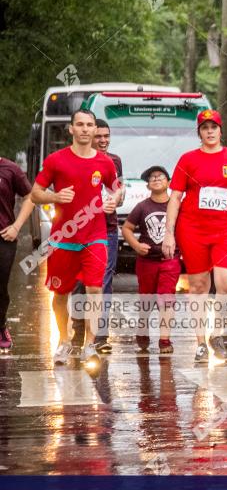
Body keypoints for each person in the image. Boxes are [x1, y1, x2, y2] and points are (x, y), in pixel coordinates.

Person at [162, 109, 227, 364]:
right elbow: (175, 198)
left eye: (214, 127)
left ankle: (219, 333)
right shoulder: (188, 159)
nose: (210, 131)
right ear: (199, 132)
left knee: (226, 284)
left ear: (220, 130)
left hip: (226, 230)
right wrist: (169, 233)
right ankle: (201, 342)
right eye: (205, 127)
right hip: (192, 230)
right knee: (199, 287)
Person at [30, 109, 120, 368]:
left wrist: (113, 201)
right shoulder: (56, 160)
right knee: (61, 293)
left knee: (94, 288)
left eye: (89, 125)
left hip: (95, 236)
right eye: (79, 124)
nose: (84, 129)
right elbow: (35, 193)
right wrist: (55, 197)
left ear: (94, 129)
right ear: (70, 129)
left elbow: (116, 190)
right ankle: (63, 339)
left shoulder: (105, 163)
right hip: (63, 238)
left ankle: (90, 343)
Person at [72, 118, 122, 354]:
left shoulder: (114, 161)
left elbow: (117, 189)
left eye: (106, 136)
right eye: (98, 136)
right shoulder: (74, 159)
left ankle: (100, 336)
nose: (103, 140)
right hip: (78, 229)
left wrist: (115, 199)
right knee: (79, 282)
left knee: (103, 282)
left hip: (108, 229)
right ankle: (77, 333)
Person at [122, 166, 181, 354]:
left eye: (160, 176)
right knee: (146, 299)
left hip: (169, 260)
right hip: (146, 261)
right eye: (152, 177)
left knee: (167, 298)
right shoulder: (142, 207)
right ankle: (143, 328)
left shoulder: (176, 205)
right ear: (147, 185)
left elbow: (187, 228)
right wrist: (136, 245)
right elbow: (127, 229)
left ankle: (165, 340)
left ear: (169, 182)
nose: (156, 179)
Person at [0, 156, 35, 353]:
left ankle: (0, 327)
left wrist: (16, 226)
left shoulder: (10, 169)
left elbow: (31, 196)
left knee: (0, 286)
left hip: (3, 237)